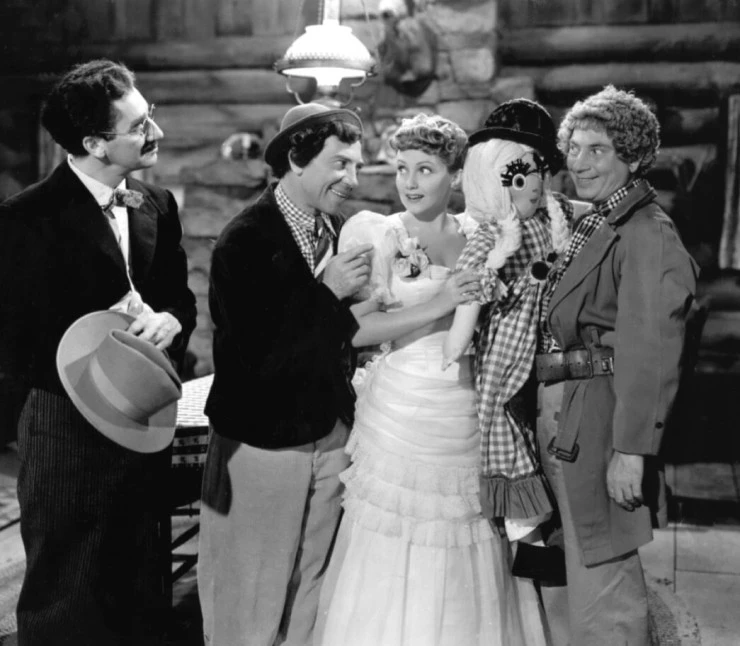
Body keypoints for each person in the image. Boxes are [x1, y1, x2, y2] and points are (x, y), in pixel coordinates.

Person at [316, 113, 547, 646]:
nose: (411, 182)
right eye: (402, 169)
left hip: (465, 404)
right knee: (397, 534)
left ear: (457, 176)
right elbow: (355, 332)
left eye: (425, 169)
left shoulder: (481, 235)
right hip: (402, 406)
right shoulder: (377, 233)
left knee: (467, 531)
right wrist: (440, 302)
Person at [0, 59, 197, 645]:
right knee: (66, 583)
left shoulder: (156, 202)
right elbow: (13, 338)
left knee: (139, 576)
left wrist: (169, 321)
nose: (156, 132)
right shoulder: (24, 219)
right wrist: (103, 338)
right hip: (65, 418)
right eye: (138, 126)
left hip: (143, 413)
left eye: (149, 115)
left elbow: (181, 300)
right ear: (93, 144)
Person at [198, 102, 372, 646]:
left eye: (357, 165)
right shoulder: (244, 239)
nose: (352, 179)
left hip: (330, 433)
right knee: (249, 593)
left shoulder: (337, 229)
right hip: (263, 441)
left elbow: (341, 335)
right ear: (296, 160)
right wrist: (329, 292)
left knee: (311, 585)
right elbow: (260, 357)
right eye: (339, 164)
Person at [534, 85, 699, 645]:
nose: (579, 162)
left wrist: (630, 452)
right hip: (567, 405)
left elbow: (651, 352)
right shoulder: (600, 218)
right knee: (579, 565)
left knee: (603, 572)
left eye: (598, 150)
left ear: (633, 156)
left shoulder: (648, 232)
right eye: (575, 147)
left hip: (601, 416)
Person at [442, 100, 585, 548]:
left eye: (538, 173)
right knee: (503, 416)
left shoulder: (551, 217)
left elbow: (580, 210)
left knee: (544, 433)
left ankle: (543, 536)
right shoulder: (491, 238)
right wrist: (456, 341)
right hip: (510, 344)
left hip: (551, 341)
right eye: (521, 178)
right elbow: (470, 295)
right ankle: (527, 530)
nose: (535, 185)